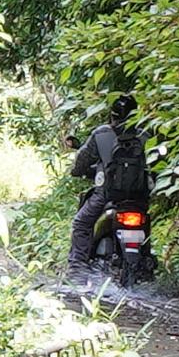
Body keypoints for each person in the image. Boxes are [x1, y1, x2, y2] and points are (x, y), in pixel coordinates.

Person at [67, 94, 145, 268]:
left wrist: (77, 171)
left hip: (106, 196)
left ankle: (77, 269)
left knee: (81, 223)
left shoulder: (101, 134)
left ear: (112, 115)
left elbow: (83, 160)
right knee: (145, 222)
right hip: (138, 199)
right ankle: (145, 259)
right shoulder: (145, 135)